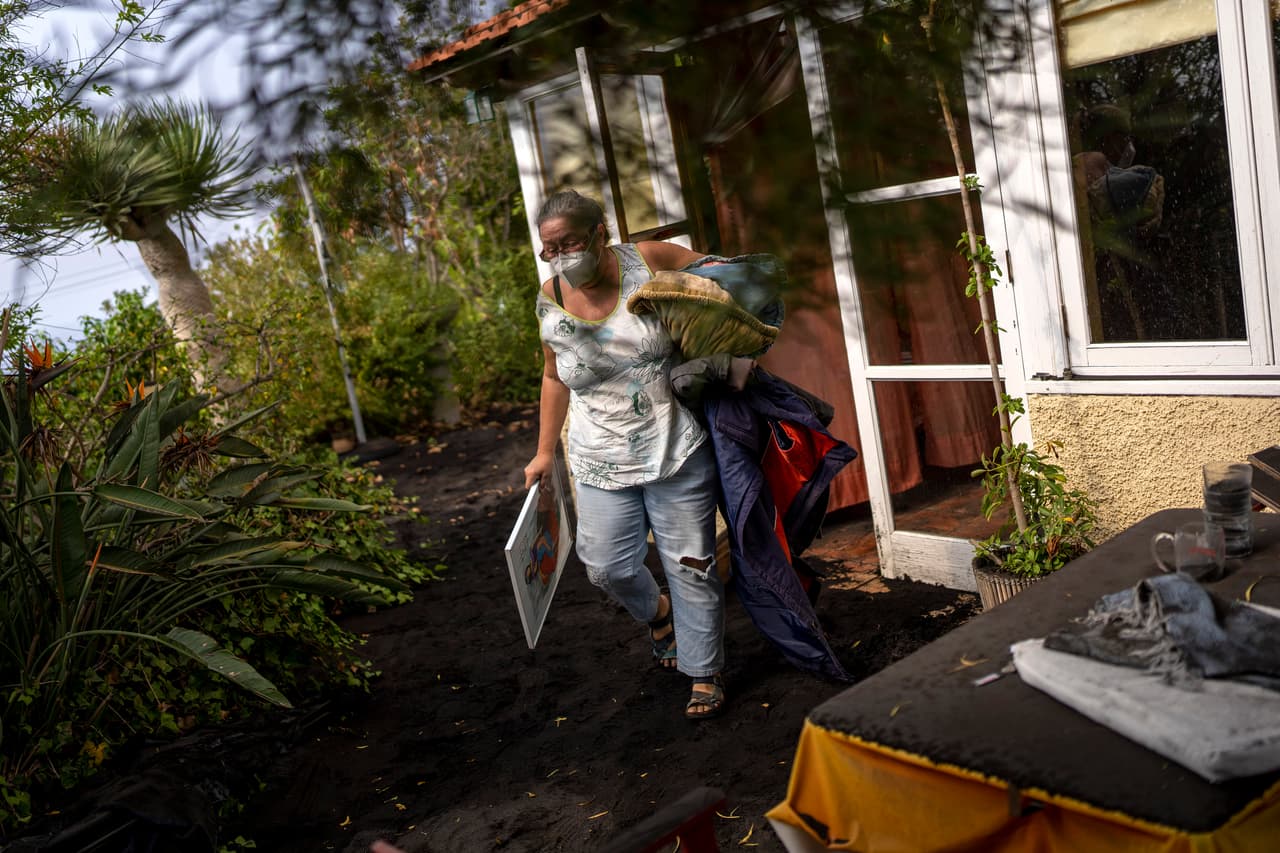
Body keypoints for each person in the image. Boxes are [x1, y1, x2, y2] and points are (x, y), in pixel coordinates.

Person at [522, 189, 726, 720]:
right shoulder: (551, 297)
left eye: (569, 242)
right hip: (596, 457)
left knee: (692, 564)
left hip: (674, 444)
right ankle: (658, 613)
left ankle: (703, 672)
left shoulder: (648, 259)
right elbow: (552, 376)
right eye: (550, 247)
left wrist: (728, 305)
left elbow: (718, 276)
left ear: (600, 234)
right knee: (606, 567)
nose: (561, 255)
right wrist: (545, 452)